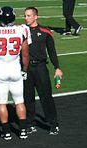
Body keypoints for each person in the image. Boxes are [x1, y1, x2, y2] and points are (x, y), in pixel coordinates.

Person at [0, 6, 31, 140]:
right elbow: (25, 54)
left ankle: (6, 131)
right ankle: (22, 130)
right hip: (15, 69)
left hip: (0, 70)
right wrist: (24, 70)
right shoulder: (22, 29)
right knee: (20, 102)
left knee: (2, 102)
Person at [23, 7, 63, 135]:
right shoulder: (21, 30)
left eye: (28, 15)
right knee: (27, 97)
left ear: (35, 17)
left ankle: (53, 123)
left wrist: (57, 67)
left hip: (40, 68)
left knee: (46, 97)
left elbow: (52, 51)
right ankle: (30, 123)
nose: (26, 18)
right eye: (25, 16)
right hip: (26, 69)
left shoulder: (45, 31)